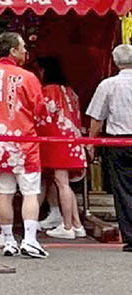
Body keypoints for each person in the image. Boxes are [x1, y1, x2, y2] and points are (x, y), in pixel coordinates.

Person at [0, 32, 47, 258]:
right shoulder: (27, 77)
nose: (26, 51)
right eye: (23, 47)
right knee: (29, 193)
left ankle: (8, 240)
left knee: (4, 193)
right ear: (13, 51)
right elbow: (40, 110)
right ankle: (30, 239)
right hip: (24, 142)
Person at [84, 42, 132, 251]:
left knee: (122, 189)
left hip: (118, 142)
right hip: (120, 140)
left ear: (115, 62)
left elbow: (97, 118)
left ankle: (130, 236)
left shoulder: (108, 85)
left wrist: (92, 144)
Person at [35, 56, 86, 240]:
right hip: (73, 139)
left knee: (61, 182)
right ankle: (77, 224)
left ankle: (67, 226)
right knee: (64, 184)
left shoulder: (49, 90)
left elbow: (42, 115)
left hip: (58, 141)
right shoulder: (70, 91)